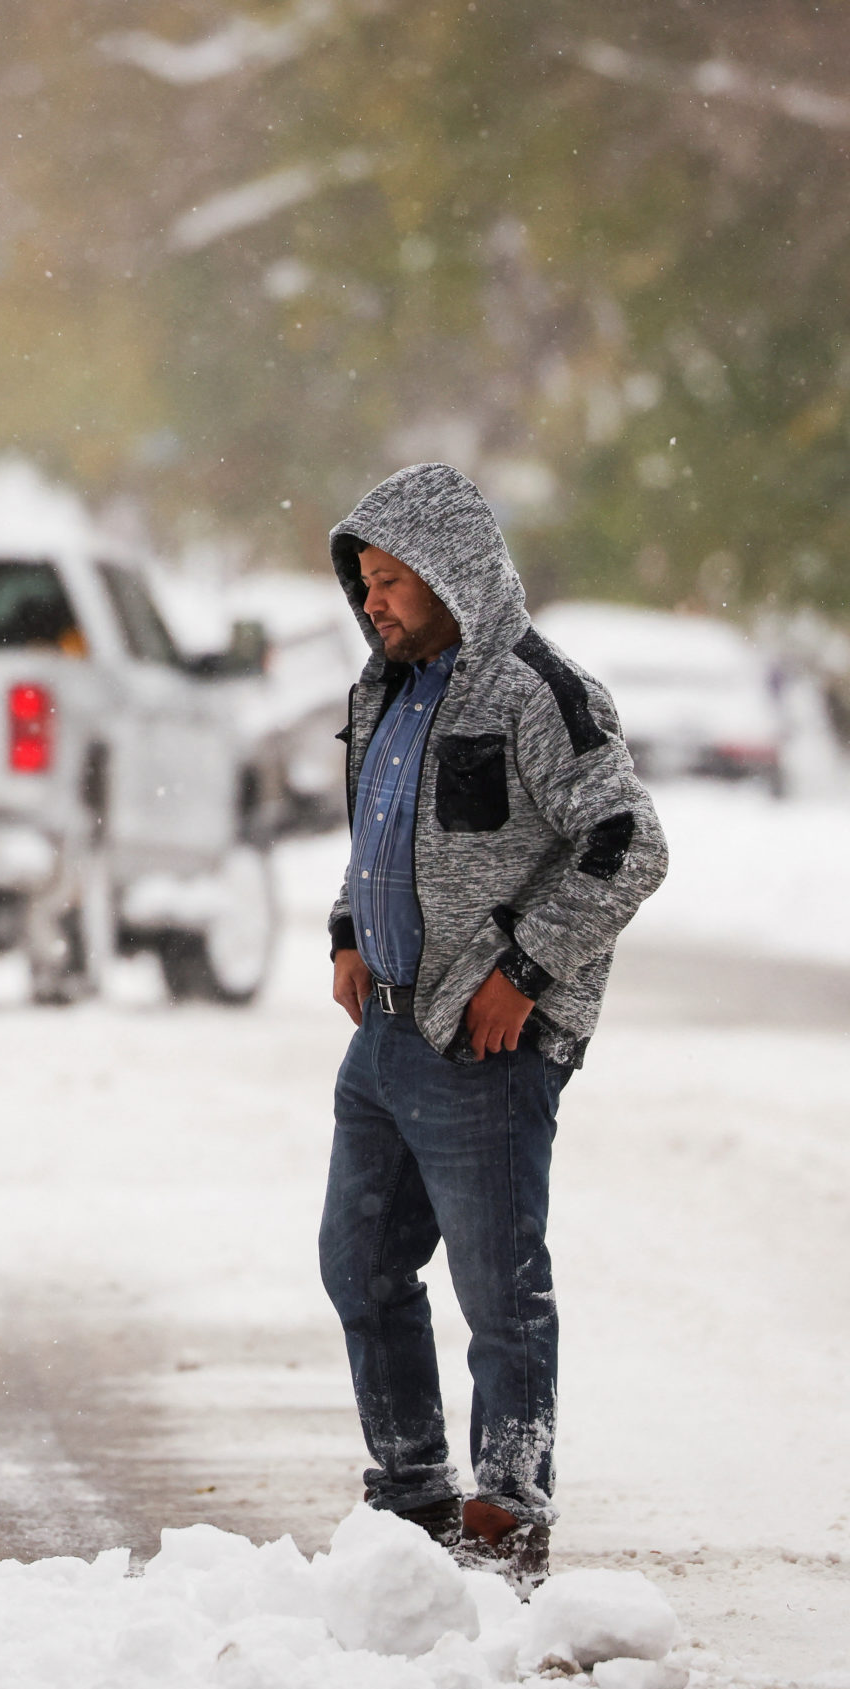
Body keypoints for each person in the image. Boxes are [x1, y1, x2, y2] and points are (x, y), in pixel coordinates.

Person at [317, 464, 668, 1591]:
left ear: (447, 575)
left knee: (497, 1290)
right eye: (363, 584)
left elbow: (627, 845)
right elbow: (379, 828)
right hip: (384, 1035)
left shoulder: (534, 691)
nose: (369, 604)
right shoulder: (382, 686)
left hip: (485, 1046)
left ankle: (509, 1511)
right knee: (359, 1264)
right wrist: (345, 929)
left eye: (386, 583)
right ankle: (411, 1498)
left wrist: (522, 970)